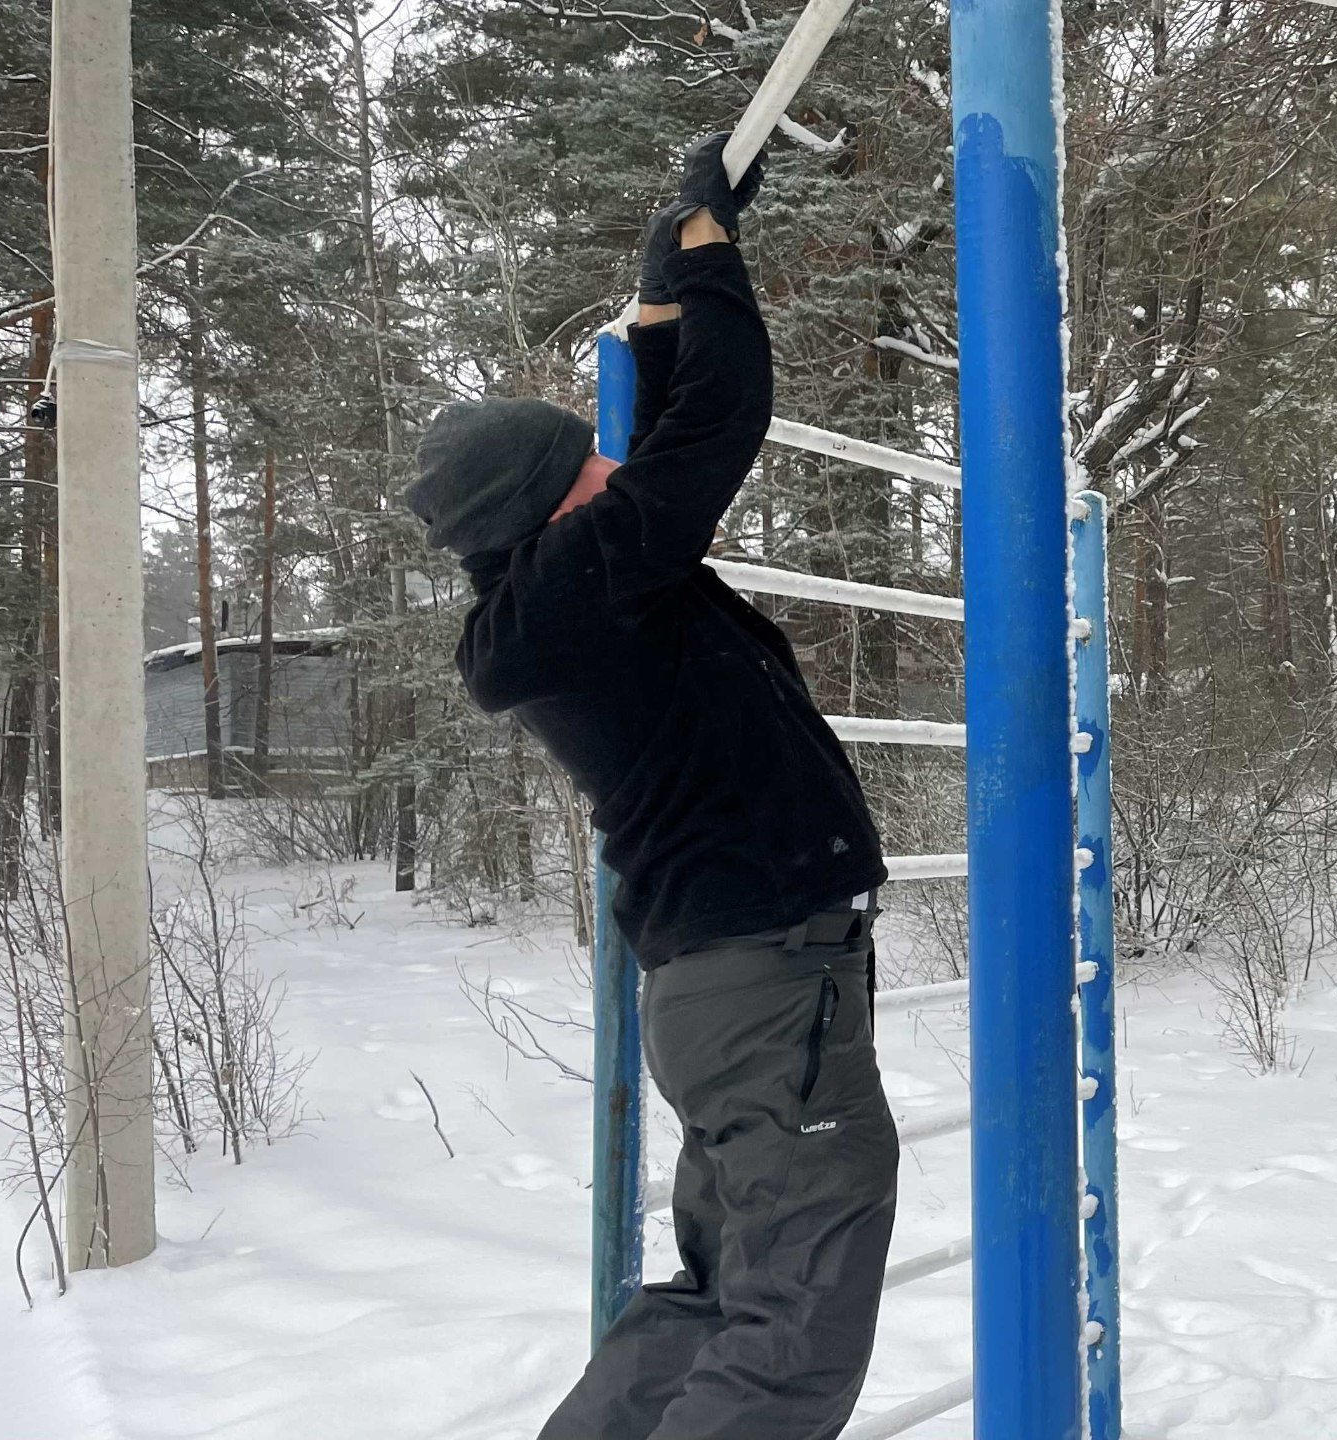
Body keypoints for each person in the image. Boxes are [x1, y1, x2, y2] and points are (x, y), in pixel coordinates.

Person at [404, 134, 896, 1440]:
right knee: (794, 1326)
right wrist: (703, 246)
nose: (617, 469)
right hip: (762, 974)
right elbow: (718, 422)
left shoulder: (565, 593)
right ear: (550, 511)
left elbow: (676, 421)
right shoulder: (581, 585)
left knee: (724, 1290)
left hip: (729, 984)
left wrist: (669, 275)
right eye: (591, 467)